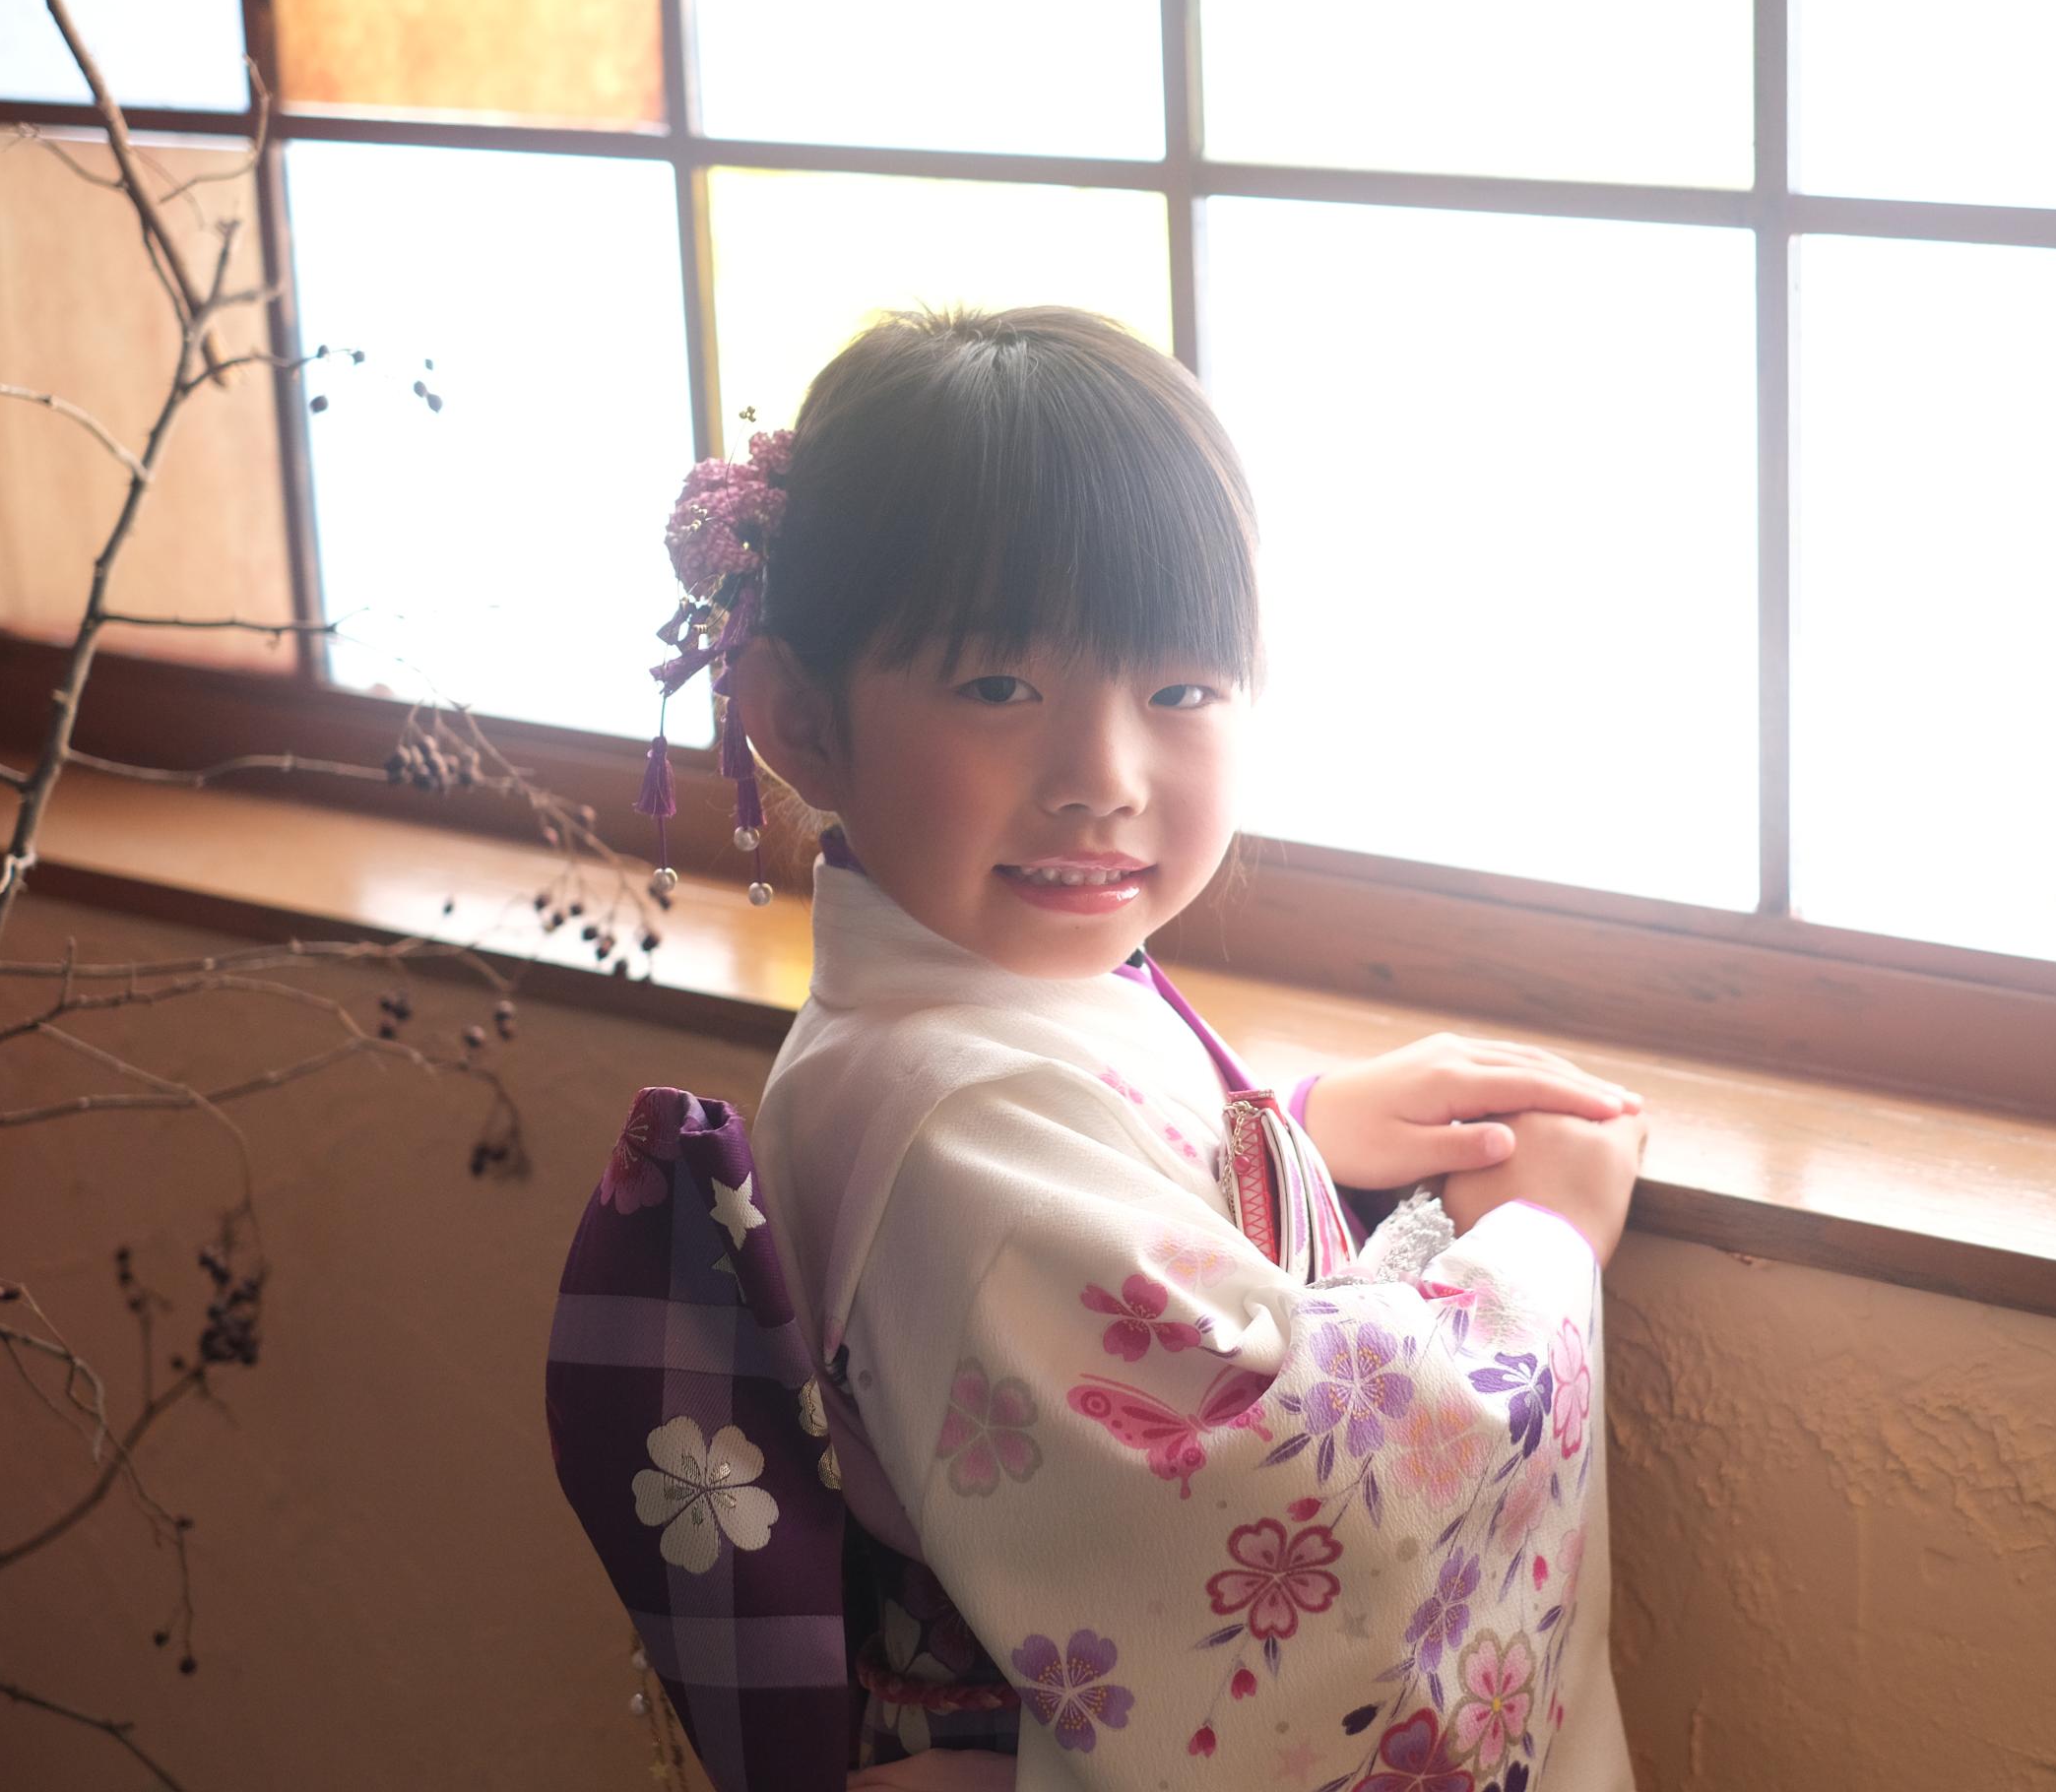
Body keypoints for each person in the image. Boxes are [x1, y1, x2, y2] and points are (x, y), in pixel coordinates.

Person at [702, 302, 1647, 1790]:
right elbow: (1314, 1507)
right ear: (802, 723)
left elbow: (1110, 1184)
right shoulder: (950, 1122)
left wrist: (1288, 1126)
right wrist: (1536, 1250)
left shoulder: (976, 1010)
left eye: (1181, 691)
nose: (1104, 777)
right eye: (999, 688)